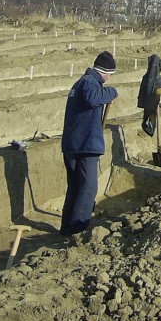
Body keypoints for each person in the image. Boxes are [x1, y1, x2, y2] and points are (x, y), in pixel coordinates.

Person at [60, 51, 118, 237]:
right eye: (111, 74)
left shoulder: (80, 83)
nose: (110, 78)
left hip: (74, 143)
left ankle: (66, 229)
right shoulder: (89, 83)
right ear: (105, 72)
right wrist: (111, 92)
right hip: (84, 145)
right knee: (88, 187)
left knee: (76, 186)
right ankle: (77, 229)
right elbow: (93, 98)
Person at [137, 54, 161, 136]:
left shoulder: (154, 79)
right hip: (151, 106)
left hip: (151, 106)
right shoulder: (149, 78)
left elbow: (159, 91)